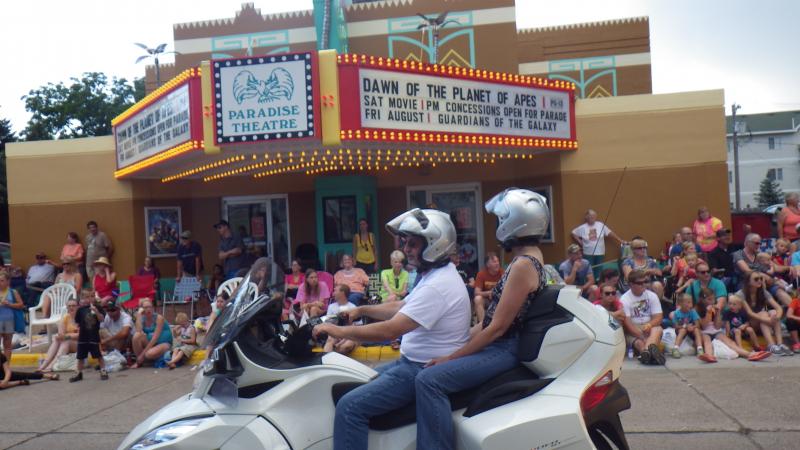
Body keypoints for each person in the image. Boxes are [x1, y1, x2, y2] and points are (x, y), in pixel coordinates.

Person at [396, 189, 548, 450]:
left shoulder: (523, 264)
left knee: (429, 380)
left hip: (503, 349)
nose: (499, 226)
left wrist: (449, 358)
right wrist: (460, 338)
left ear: (516, 222)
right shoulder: (532, 257)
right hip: (503, 345)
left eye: (502, 220)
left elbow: (497, 328)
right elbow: (491, 321)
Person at [312, 208, 470, 450]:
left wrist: (338, 331)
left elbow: (391, 330)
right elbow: (402, 306)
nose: (406, 249)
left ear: (435, 246)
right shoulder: (434, 274)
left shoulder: (438, 285)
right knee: (355, 380)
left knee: (349, 406)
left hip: (417, 368)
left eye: (413, 244)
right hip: (411, 363)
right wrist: (361, 310)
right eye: (405, 242)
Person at [697, 289, 770, 362]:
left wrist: (718, 313)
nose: (712, 302)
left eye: (713, 299)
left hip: (716, 331)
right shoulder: (698, 309)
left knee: (729, 342)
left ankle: (750, 355)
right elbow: (704, 326)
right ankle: (709, 356)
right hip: (704, 332)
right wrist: (708, 313)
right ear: (702, 300)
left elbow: (717, 326)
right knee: (707, 341)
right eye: (709, 299)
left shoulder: (714, 308)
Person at [736, 271, 792, 356]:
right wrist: (767, 320)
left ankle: (780, 344)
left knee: (773, 313)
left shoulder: (762, 291)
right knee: (764, 314)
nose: (760, 281)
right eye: (756, 279)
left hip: (761, 321)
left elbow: (778, 307)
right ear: (748, 282)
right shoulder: (741, 294)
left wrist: (777, 317)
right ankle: (771, 345)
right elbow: (750, 313)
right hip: (746, 324)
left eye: (761, 279)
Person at [621, 269, 665, 365]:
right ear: (631, 284)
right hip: (633, 328)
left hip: (648, 325)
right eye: (639, 283)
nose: (643, 285)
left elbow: (658, 317)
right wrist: (643, 337)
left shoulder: (652, 296)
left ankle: (646, 354)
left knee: (657, 328)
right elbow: (628, 324)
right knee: (639, 343)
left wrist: (649, 325)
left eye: (645, 282)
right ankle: (650, 353)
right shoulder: (624, 299)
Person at [571, 209, 625, 279]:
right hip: (588, 252)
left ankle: (598, 282)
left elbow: (610, 233)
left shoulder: (600, 225)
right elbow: (573, 233)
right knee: (589, 270)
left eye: (593, 216)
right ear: (586, 217)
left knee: (599, 269)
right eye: (590, 216)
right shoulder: (583, 227)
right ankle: (590, 283)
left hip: (600, 252)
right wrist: (580, 242)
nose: (592, 218)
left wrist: (620, 240)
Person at [69, 296, 108, 382]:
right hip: (83, 336)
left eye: (91, 296)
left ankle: (103, 370)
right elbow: (77, 322)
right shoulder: (81, 309)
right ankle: (78, 373)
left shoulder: (98, 308)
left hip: (93, 335)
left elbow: (101, 319)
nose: (89, 299)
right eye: (87, 297)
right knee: (80, 356)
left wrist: (96, 311)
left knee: (98, 355)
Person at [38, 298, 80, 372]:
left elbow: (81, 335)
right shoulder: (65, 318)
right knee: (57, 340)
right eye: (69, 306)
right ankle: (44, 365)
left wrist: (67, 336)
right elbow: (61, 333)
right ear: (67, 307)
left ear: (78, 307)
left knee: (66, 341)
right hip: (68, 341)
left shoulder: (81, 318)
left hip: (79, 343)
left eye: (73, 306)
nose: (71, 308)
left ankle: (51, 366)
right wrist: (63, 336)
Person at [130, 298, 173, 368]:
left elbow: (155, 339)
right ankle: (140, 362)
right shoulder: (142, 318)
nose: (149, 309)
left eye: (150, 307)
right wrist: (139, 315)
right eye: (146, 307)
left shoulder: (159, 318)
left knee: (149, 354)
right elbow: (138, 330)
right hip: (151, 344)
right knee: (136, 336)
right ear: (142, 309)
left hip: (164, 343)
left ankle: (143, 359)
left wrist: (142, 355)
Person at [323, 284, 359, 355]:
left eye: (335, 291)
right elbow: (328, 323)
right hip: (336, 332)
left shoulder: (352, 307)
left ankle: (338, 360)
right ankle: (326, 360)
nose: (333, 293)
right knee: (330, 340)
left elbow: (358, 326)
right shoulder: (331, 307)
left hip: (349, 334)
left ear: (342, 293)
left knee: (345, 346)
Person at [0, 271, 25, 362]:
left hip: (8, 321)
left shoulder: (12, 292)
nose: (0, 283)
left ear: (8, 281)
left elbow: (21, 305)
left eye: (2, 280)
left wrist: (9, 304)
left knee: (7, 345)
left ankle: (7, 366)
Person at [473, 252, 504, 325]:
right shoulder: (481, 274)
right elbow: (476, 292)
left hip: (498, 300)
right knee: (477, 299)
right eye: (494, 262)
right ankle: (483, 324)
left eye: (497, 261)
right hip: (487, 300)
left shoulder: (502, 273)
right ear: (487, 265)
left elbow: (506, 290)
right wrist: (489, 293)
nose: (497, 263)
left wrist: (495, 293)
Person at [669, 293, 703, 359]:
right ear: (680, 304)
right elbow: (675, 326)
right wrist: (685, 326)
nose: (690, 305)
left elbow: (698, 325)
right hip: (681, 329)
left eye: (691, 302)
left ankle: (700, 349)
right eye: (688, 302)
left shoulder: (692, 311)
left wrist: (692, 327)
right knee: (683, 330)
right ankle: (676, 348)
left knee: (697, 330)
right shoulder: (676, 313)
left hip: (691, 329)